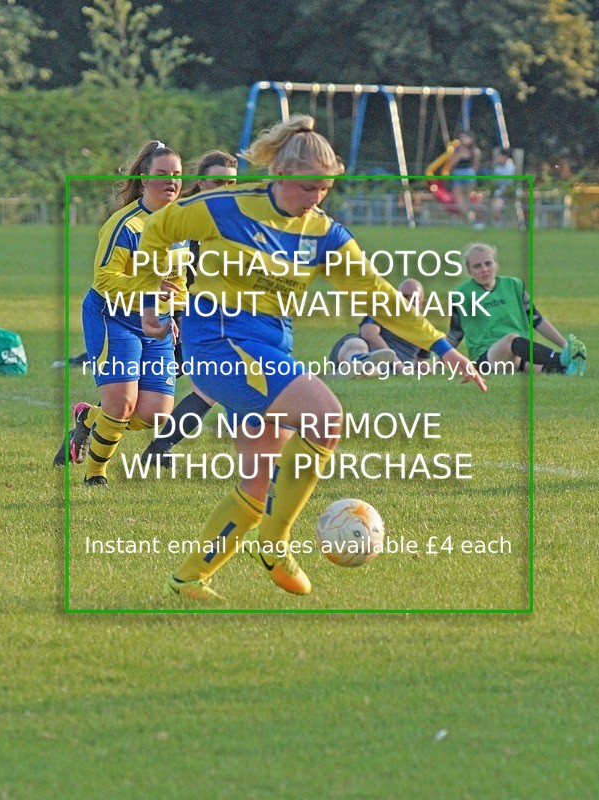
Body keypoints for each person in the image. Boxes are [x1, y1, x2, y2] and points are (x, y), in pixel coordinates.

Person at [136, 114, 487, 602]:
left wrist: (442, 347)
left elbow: (377, 294)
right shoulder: (225, 208)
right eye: (308, 188)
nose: (316, 198)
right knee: (326, 418)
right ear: (279, 174)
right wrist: (158, 299)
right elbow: (157, 230)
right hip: (219, 346)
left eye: (325, 188)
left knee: (257, 485)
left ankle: (190, 578)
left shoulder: (323, 232)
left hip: (269, 348)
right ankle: (276, 547)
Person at [53, 140, 187, 484]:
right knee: (122, 404)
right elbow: (104, 278)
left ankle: (87, 419)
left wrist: (173, 314)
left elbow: (177, 279)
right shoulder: (125, 225)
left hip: (154, 322)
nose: (171, 181)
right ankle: (95, 476)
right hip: (112, 317)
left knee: (155, 414)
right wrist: (147, 290)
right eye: (162, 174)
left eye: (177, 175)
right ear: (144, 179)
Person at [140, 150, 238, 466]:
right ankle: (152, 448)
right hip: (181, 314)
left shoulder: (232, 217)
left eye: (231, 182)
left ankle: (157, 450)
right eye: (217, 181)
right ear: (201, 181)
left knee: (208, 384)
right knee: (139, 395)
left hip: (210, 316)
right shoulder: (184, 217)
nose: (225, 187)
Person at [447, 243, 587, 375]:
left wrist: (565, 345)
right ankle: (559, 358)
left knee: (547, 370)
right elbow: (455, 334)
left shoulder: (514, 286)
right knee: (510, 339)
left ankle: (565, 366)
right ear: (469, 271)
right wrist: (437, 361)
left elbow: (536, 319)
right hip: (487, 359)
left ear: (496, 265)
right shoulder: (462, 295)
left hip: (518, 355)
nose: (484, 269)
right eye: (477, 266)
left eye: (488, 263)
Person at [328, 279, 432, 376]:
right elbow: (368, 333)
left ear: (422, 303)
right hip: (354, 350)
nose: (408, 301)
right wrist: (399, 365)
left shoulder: (425, 330)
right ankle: (355, 362)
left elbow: (422, 360)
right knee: (357, 345)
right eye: (404, 296)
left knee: (376, 370)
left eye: (414, 297)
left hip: (381, 369)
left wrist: (424, 367)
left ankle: (352, 372)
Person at [448, 130, 481, 220]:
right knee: (459, 199)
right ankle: (467, 216)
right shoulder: (456, 150)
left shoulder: (475, 151)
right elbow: (451, 164)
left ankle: (468, 217)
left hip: (468, 173)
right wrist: (458, 156)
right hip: (459, 173)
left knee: (467, 197)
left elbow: (475, 166)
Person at [491, 147, 516, 224]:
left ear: (505, 157)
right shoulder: (497, 168)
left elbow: (509, 185)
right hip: (497, 193)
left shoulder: (511, 168)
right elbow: (494, 183)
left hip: (506, 194)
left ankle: (499, 224)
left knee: (496, 204)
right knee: (480, 203)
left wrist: (500, 194)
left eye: (499, 156)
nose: (497, 158)